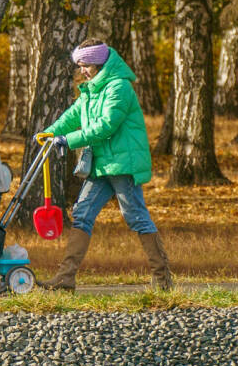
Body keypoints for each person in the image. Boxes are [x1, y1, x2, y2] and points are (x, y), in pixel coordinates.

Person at [36, 39, 172, 290]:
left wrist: (68, 140)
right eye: (80, 66)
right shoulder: (92, 88)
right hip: (100, 164)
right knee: (82, 214)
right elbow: (73, 115)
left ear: (98, 62)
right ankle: (65, 279)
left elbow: (106, 125)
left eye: (85, 65)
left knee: (136, 217)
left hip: (121, 163)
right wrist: (49, 133)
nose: (82, 71)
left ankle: (162, 279)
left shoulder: (119, 88)